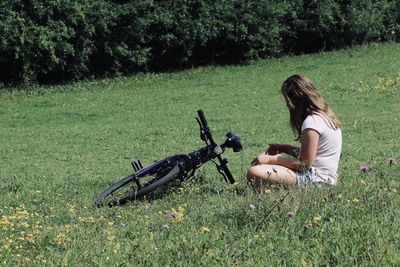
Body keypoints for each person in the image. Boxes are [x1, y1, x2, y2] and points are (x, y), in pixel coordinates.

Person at [247, 74, 342, 187]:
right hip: (322, 176)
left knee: (254, 172)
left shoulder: (312, 122)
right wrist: (283, 148)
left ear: (295, 100)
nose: (287, 104)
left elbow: (304, 164)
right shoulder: (323, 116)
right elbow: (311, 154)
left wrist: (272, 159)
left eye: (287, 99)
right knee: (261, 169)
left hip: (317, 179)